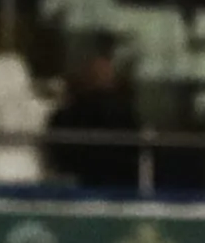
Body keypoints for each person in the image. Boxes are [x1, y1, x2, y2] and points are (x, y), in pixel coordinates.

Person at [47, 52, 142, 190]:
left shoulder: (122, 115)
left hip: (115, 185)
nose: (104, 78)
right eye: (99, 74)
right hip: (84, 185)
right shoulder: (69, 115)